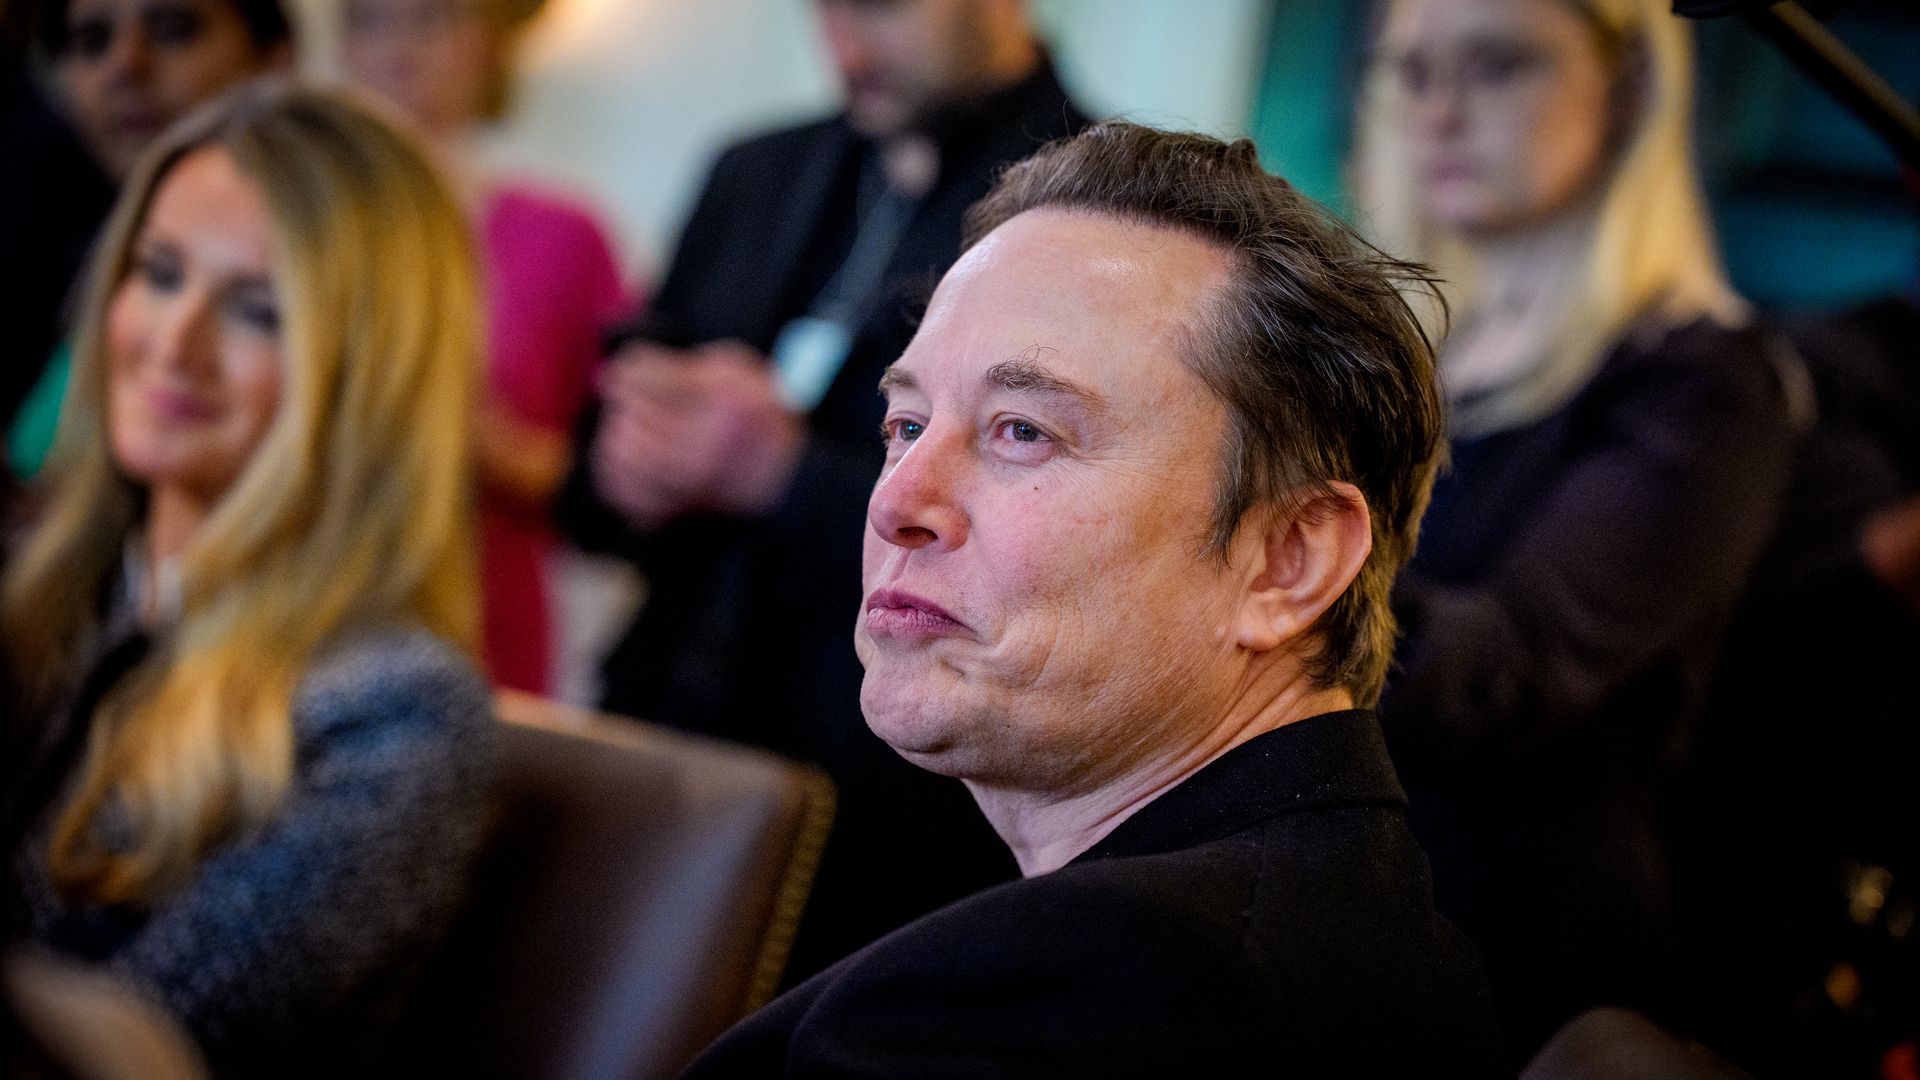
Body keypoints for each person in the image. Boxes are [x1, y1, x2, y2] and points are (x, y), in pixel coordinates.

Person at [682, 120, 1504, 1078]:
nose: (897, 499)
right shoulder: (1328, 920)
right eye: (905, 423)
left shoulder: (1100, 992)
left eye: (1022, 430)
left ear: (1288, 561)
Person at [562, 0, 1087, 978]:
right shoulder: (755, 170)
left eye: (880, 5)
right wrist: (626, 459)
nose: (844, 40)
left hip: (887, 809)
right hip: (658, 735)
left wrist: (784, 475)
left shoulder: (1084, 213)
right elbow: (588, 492)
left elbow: (1049, 538)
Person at [0, 84, 494, 1076]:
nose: (172, 343)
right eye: (159, 272)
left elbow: (161, 1040)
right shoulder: (49, 597)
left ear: (367, 371)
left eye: (258, 312)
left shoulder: (398, 712)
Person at [1352, 0, 1798, 1056]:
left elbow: (1517, 670)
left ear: (1630, 86)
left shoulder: (1703, 383)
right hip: (1347, 888)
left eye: (1495, 65)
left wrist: (1240, 565)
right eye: (1411, 73)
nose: (1441, 111)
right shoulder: (1393, 350)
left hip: (1517, 954)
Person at [341, 0, 628, 695]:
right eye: (368, 19)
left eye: (429, 19)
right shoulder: (293, 229)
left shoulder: (564, 237)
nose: (398, 46)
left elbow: (617, 476)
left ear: (491, 43)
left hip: (489, 613)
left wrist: (491, 445)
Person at [10, 0, 295, 480]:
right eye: (93, 40)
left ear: (275, 59)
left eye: (172, 29)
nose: (124, 65)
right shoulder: (47, 247)